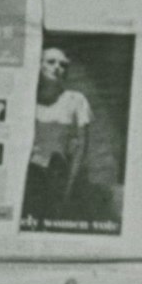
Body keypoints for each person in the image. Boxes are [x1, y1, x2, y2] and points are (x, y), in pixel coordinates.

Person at [23, 43, 91, 222]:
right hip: (25, 180)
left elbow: (80, 150)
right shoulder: (24, 97)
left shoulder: (76, 100)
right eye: (51, 62)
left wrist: (67, 192)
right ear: (38, 65)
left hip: (56, 182)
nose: (57, 68)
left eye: (63, 65)